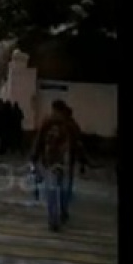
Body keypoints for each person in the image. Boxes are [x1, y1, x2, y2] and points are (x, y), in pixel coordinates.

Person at [30, 99, 80, 231]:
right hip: (66, 161)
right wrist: (81, 161)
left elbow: (39, 139)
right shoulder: (70, 124)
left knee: (51, 191)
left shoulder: (47, 122)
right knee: (65, 189)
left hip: (50, 160)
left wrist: (34, 157)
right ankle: (63, 211)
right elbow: (77, 143)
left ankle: (53, 220)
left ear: (54, 109)